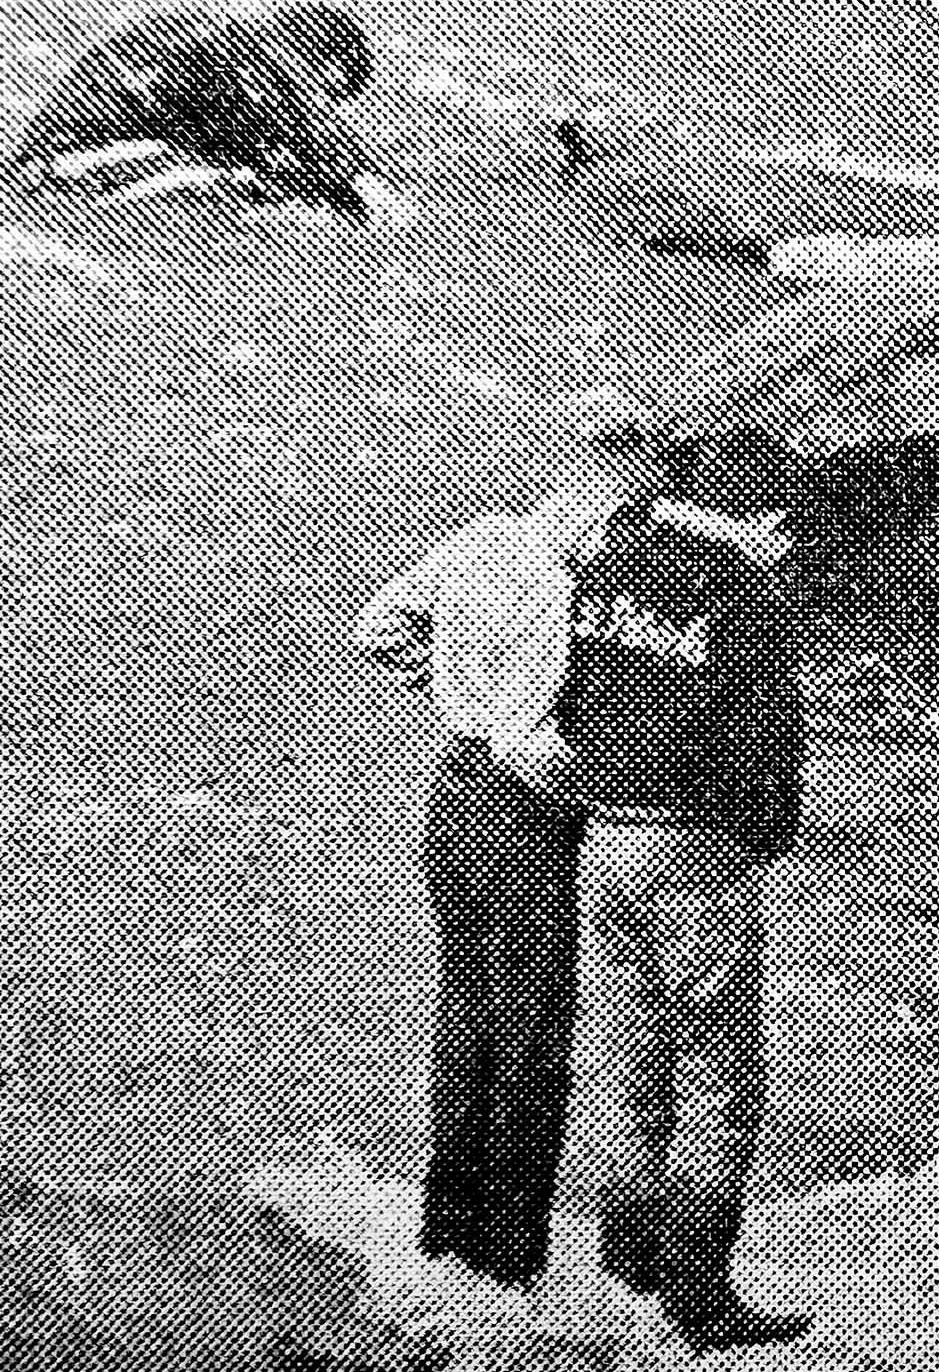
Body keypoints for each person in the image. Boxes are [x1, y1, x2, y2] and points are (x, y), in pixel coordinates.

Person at [535, 425, 816, 1353]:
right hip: (702, 848)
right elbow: (758, 724)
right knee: (713, 1074)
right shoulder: (742, 579)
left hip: (610, 835)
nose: (780, 487)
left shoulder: (605, 554)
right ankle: (698, 1288)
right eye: (767, 470)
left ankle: (625, 1269)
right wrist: (771, 826)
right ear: (731, 477)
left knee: (623, 1069)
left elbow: (574, 700)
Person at [354, 461, 648, 1289]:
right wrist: (597, 799)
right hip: (515, 808)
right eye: (615, 521)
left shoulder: (478, 543)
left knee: (466, 1010)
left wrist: (450, 696)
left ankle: (448, 1229)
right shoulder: (549, 580)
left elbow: (377, 631)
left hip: (450, 797)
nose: (612, 545)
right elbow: (531, 742)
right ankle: (508, 1253)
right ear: (596, 499)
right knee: (533, 1029)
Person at [13, 6, 383, 216]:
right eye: (328, 93)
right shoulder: (254, 70)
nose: (323, 104)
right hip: (67, 164)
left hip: (60, 153)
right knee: (223, 180)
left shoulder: (227, 43)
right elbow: (318, 152)